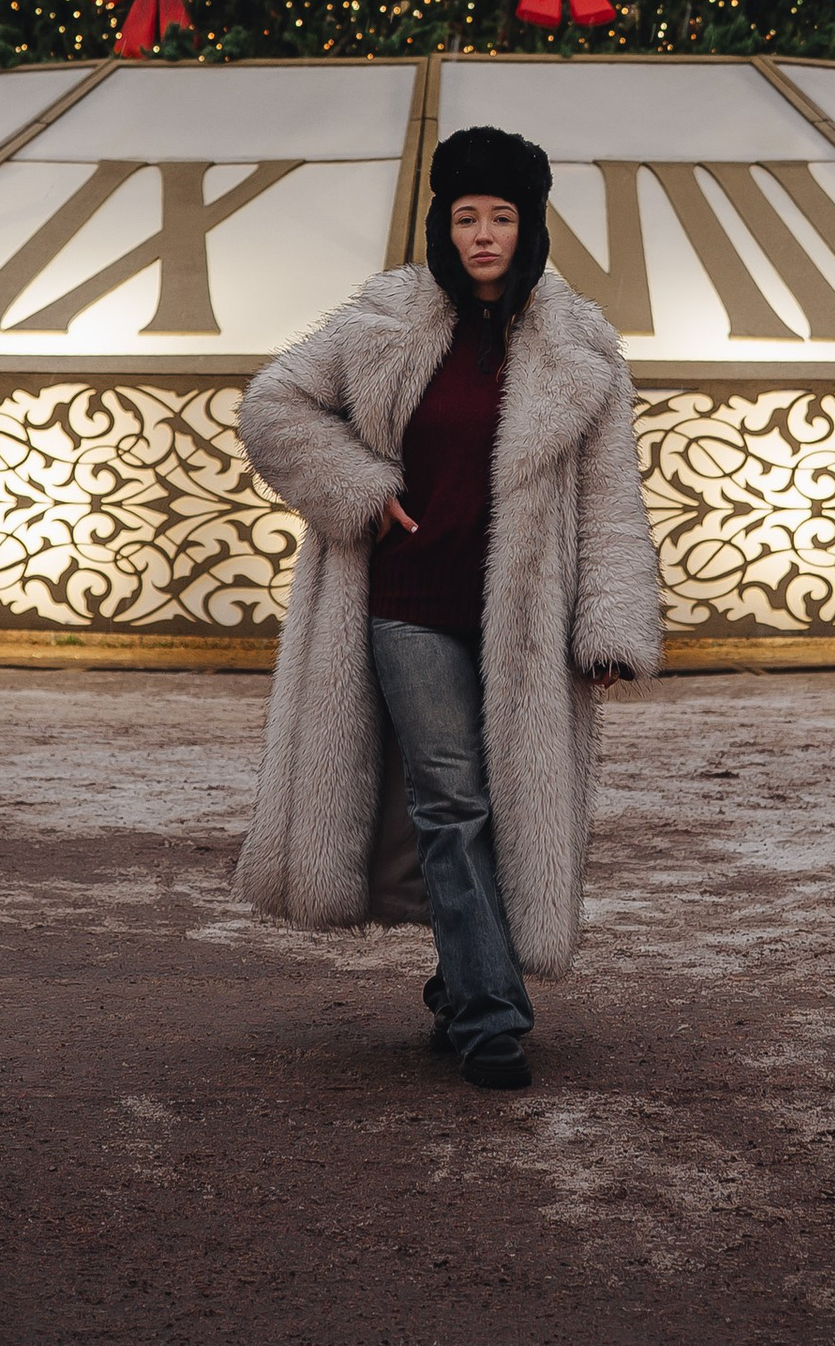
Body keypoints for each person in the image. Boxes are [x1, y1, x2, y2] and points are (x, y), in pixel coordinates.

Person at [235, 124, 662, 1092]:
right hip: (404, 601)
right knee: (450, 798)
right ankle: (489, 1015)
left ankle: (457, 981)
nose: (481, 236)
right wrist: (353, 482)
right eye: (465, 216)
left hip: (523, 618)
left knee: (502, 809)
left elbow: (609, 497)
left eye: (500, 217)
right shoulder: (385, 317)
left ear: (528, 226)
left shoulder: (579, 347)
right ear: (442, 221)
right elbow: (272, 405)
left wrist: (608, 624)